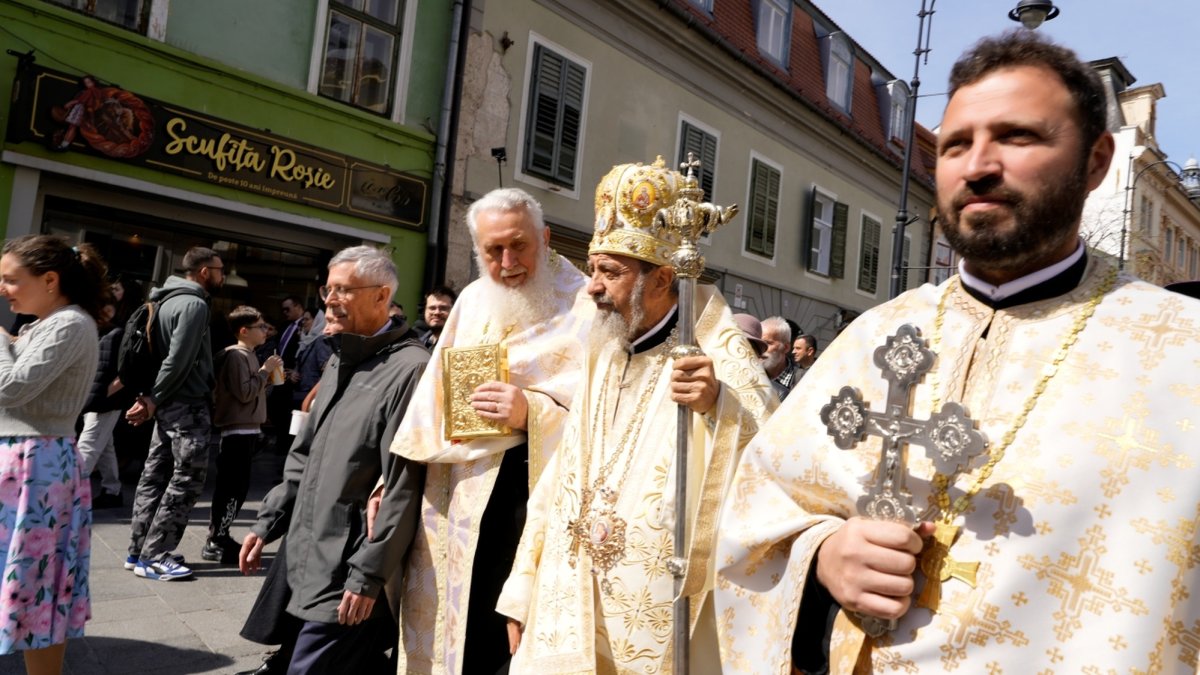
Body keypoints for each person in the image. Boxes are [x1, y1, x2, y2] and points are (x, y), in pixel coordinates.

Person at [715, 31, 1200, 673]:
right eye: (955, 145)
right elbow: (759, 516)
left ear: (1095, 161)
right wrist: (825, 558)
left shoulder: (1182, 349)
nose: (977, 166)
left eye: (1017, 136)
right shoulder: (875, 336)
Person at [497, 159, 777, 674]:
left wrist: (719, 408)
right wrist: (523, 585)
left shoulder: (718, 352)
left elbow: (775, 462)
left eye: (611, 272)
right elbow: (562, 474)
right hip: (570, 595)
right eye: (593, 268)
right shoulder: (605, 347)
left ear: (664, 279)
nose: (592, 287)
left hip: (659, 612)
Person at [390, 187, 592, 675]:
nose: (507, 261)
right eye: (492, 251)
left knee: (511, 636)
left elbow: (609, 414)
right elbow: (430, 400)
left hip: (530, 495)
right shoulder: (473, 298)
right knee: (455, 626)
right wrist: (389, 482)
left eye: (518, 245)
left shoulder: (587, 302)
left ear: (544, 238)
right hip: (455, 491)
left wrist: (532, 411)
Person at [239, 246, 427, 674]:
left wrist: (368, 576)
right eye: (329, 289)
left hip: (347, 570)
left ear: (382, 296)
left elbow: (402, 486)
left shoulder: (410, 369)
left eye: (344, 290)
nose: (329, 300)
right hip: (306, 555)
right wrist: (268, 520)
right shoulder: (342, 357)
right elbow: (304, 454)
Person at [0, 235, 107, 674]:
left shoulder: (70, 324)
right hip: (29, 463)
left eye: (10, 279)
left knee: (35, 587)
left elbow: (11, 387)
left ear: (49, 279)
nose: (3, 288)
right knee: (28, 584)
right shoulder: (45, 324)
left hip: (37, 467)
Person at [125, 246, 224, 581]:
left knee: (154, 474)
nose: (223, 275)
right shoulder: (194, 304)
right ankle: (156, 555)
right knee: (186, 480)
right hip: (186, 404)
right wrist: (154, 398)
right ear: (204, 271)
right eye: (220, 269)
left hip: (167, 402)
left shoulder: (163, 299)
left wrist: (154, 399)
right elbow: (179, 360)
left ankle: (138, 549)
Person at [202, 306, 283, 564]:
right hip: (236, 431)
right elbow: (244, 393)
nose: (265, 331)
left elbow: (253, 390)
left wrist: (268, 376)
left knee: (238, 488)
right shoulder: (235, 356)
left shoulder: (248, 354)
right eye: (260, 327)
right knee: (231, 488)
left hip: (248, 429)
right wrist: (264, 370)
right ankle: (217, 538)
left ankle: (220, 536)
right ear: (244, 331)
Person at [77, 301, 128, 509]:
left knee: (87, 445)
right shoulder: (94, 332)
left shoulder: (118, 334)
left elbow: (126, 372)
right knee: (104, 445)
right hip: (94, 398)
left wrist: (105, 394)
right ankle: (112, 489)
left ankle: (67, 492)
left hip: (105, 401)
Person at [761, 315, 795, 400]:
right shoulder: (750, 375)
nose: (760, 348)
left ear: (786, 347)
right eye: (758, 342)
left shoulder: (804, 380)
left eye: (767, 343)